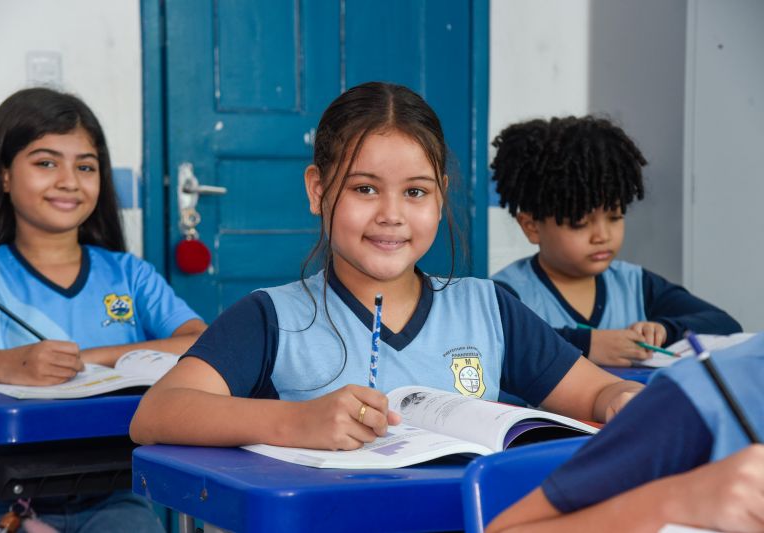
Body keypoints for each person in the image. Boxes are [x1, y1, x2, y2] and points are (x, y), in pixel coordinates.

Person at [130, 82, 641, 452]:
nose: (391, 214)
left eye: (415, 192)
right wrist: (296, 422)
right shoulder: (271, 318)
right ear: (317, 190)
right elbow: (156, 413)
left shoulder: (487, 308)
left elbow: (596, 392)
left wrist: (621, 397)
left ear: (440, 196)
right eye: (364, 188)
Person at [0, 87, 207, 532]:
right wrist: (8, 365)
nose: (69, 181)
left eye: (86, 166)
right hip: (2, 501)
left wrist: (88, 360)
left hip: (116, 493)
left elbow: (200, 342)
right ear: (3, 175)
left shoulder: (129, 274)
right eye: (46, 163)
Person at [490, 116, 741, 367]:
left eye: (615, 217)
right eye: (580, 223)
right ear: (532, 227)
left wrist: (665, 329)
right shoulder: (504, 293)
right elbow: (499, 342)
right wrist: (586, 344)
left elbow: (724, 324)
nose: (603, 236)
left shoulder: (635, 284)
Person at [486, 333, 764, 533]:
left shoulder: (636, 282)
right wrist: (681, 501)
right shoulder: (698, 399)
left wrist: (663, 329)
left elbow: (714, 320)